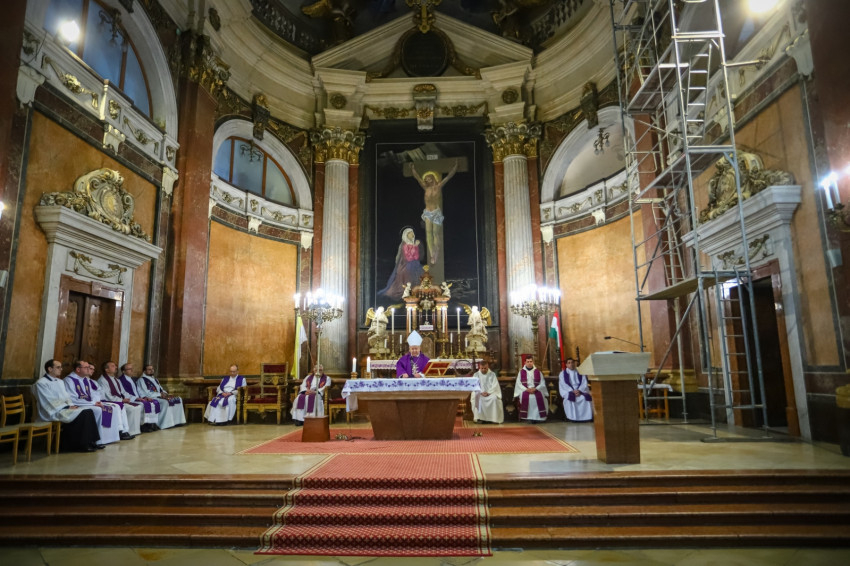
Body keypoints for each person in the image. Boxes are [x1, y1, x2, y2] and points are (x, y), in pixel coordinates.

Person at [33, 359, 102, 452]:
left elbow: (67, 397)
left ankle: (91, 442)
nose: (61, 369)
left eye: (61, 367)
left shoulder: (60, 381)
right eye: (58, 367)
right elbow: (48, 400)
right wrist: (67, 407)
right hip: (52, 411)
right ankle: (80, 445)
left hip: (64, 408)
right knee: (85, 413)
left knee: (88, 411)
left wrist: (71, 405)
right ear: (50, 369)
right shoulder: (41, 383)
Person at [63, 360, 127, 443]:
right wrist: (93, 403)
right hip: (79, 404)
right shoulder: (69, 380)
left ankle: (109, 438)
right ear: (78, 369)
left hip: (90, 403)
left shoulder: (85, 380)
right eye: (86, 367)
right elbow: (72, 398)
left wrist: (95, 401)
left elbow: (93, 393)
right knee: (98, 409)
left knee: (112, 408)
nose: (89, 369)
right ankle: (96, 440)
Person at [411, 159, 458, 265]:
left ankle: (436, 250)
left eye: (429, 178)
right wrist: (413, 169)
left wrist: (455, 166)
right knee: (428, 233)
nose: (427, 180)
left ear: (433, 178)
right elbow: (417, 178)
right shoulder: (425, 187)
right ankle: (432, 253)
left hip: (436, 212)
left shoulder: (438, 186)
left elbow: (449, 176)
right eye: (426, 179)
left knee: (435, 233)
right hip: (428, 212)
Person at [97, 361, 145, 435]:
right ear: (107, 370)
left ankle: (134, 431)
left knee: (137, 407)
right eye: (113, 366)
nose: (116, 367)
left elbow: (124, 392)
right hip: (110, 401)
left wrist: (135, 398)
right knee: (132, 408)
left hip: (119, 400)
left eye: (115, 366)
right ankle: (125, 431)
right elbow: (108, 396)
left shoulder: (116, 380)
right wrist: (121, 400)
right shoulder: (102, 380)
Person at [119, 363, 170, 431]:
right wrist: (136, 398)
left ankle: (151, 424)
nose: (132, 370)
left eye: (132, 369)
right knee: (144, 405)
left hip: (138, 398)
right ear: (123, 371)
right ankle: (143, 425)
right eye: (129, 369)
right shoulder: (121, 380)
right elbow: (124, 393)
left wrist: (144, 397)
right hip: (130, 399)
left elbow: (139, 390)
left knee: (151, 403)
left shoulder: (131, 379)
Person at [378, 227, 424, 300]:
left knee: (421, 272)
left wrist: (415, 247)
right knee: (408, 271)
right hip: (405, 264)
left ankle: (416, 291)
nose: (412, 234)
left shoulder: (415, 243)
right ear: (406, 235)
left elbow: (416, 257)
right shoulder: (404, 245)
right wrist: (414, 247)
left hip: (415, 263)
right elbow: (408, 258)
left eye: (412, 232)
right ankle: (408, 291)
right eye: (410, 233)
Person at [136, 363, 186, 428]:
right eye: (149, 369)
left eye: (152, 369)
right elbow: (146, 393)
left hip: (159, 396)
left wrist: (165, 394)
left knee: (178, 399)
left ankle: (177, 421)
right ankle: (165, 424)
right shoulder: (141, 380)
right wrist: (160, 395)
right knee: (165, 402)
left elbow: (160, 389)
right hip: (152, 397)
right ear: (144, 371)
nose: (151, 370)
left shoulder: (155, 379)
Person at [513, 354, 548, 422]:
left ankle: (538, 418)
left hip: (536, 389)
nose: (529, 363)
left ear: (533, 362)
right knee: (526, 398)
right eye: (528, 362)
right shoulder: (521, 372)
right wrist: (526, 389)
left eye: (531, 361)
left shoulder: (538, 372)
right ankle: (528, 417)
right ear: (525, 363)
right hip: (525, 390)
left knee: (540, 397)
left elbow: (542, 383)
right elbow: (518, 384)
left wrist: (535, 389)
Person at [559, 357, 593, 422]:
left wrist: (579, 390)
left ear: (574, 363)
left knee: (584, 398)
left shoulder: (580, 372)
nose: (571, 364)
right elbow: (563, 384)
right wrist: (573, 391)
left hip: (580, 390)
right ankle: (573, 418)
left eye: (572, 362)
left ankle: (586, 417)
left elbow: (584, 383)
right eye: (569, 363)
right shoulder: (563, 373)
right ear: (566, 365)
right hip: (569, 391)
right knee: (570, 399)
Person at [471, 358, 503, 424]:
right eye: (482, 368)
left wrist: (488, 392)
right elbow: (474, 386)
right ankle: (479, 418)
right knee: (477, 398)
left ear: (487, 367)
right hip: (480, 393)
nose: (483, 370)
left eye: (485, 368)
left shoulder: (492, 374)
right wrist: (481, 392)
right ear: (479, 367)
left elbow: (495, 386)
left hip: (490, 393)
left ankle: (493, 418)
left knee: (494, 398)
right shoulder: (476, 375)